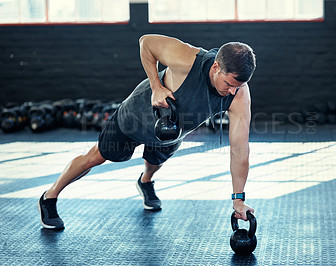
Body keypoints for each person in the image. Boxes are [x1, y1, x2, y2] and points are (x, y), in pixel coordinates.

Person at [37, 34, 256, 230]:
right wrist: (156, 86)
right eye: (229, 84)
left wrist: (238, 199)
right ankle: (49, 197)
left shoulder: (239, 94)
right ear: (216, 67)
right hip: (136, 115)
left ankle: (145, 182)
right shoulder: (188, 59)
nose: (232, 91)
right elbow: (147, 42)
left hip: (172, 129)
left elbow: (239, 148)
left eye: (238, 86)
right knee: (96, 156)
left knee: (155, 159)